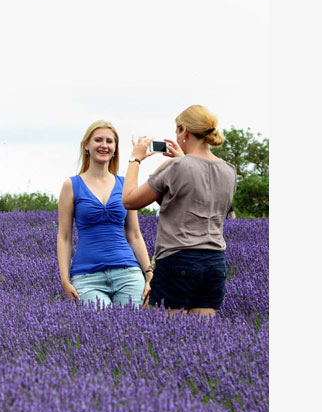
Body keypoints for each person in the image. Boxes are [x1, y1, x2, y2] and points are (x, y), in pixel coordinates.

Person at [121, 105, 237, 318]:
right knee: (202, 339)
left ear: (184, 130)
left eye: (177, 130)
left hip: (178, 260)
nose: (176, 135)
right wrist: (180, 160)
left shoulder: (176, 168)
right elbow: (187, 203)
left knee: (169, 338)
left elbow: (129, 200)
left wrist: (135, 159)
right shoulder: (229, 170)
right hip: (215, 264)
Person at [56, 120, 153, 308]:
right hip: (86, 277)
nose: (104, 145)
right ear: (86, 145)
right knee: (98, 332)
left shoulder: (124, 184)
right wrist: (65, 280)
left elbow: (134, 234)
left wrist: (149, 274)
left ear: (115, 148)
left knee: (132, 330)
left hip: (128, 273)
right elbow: (65, 236)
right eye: (98, 140)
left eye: (109, 141)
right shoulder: (72, 185)